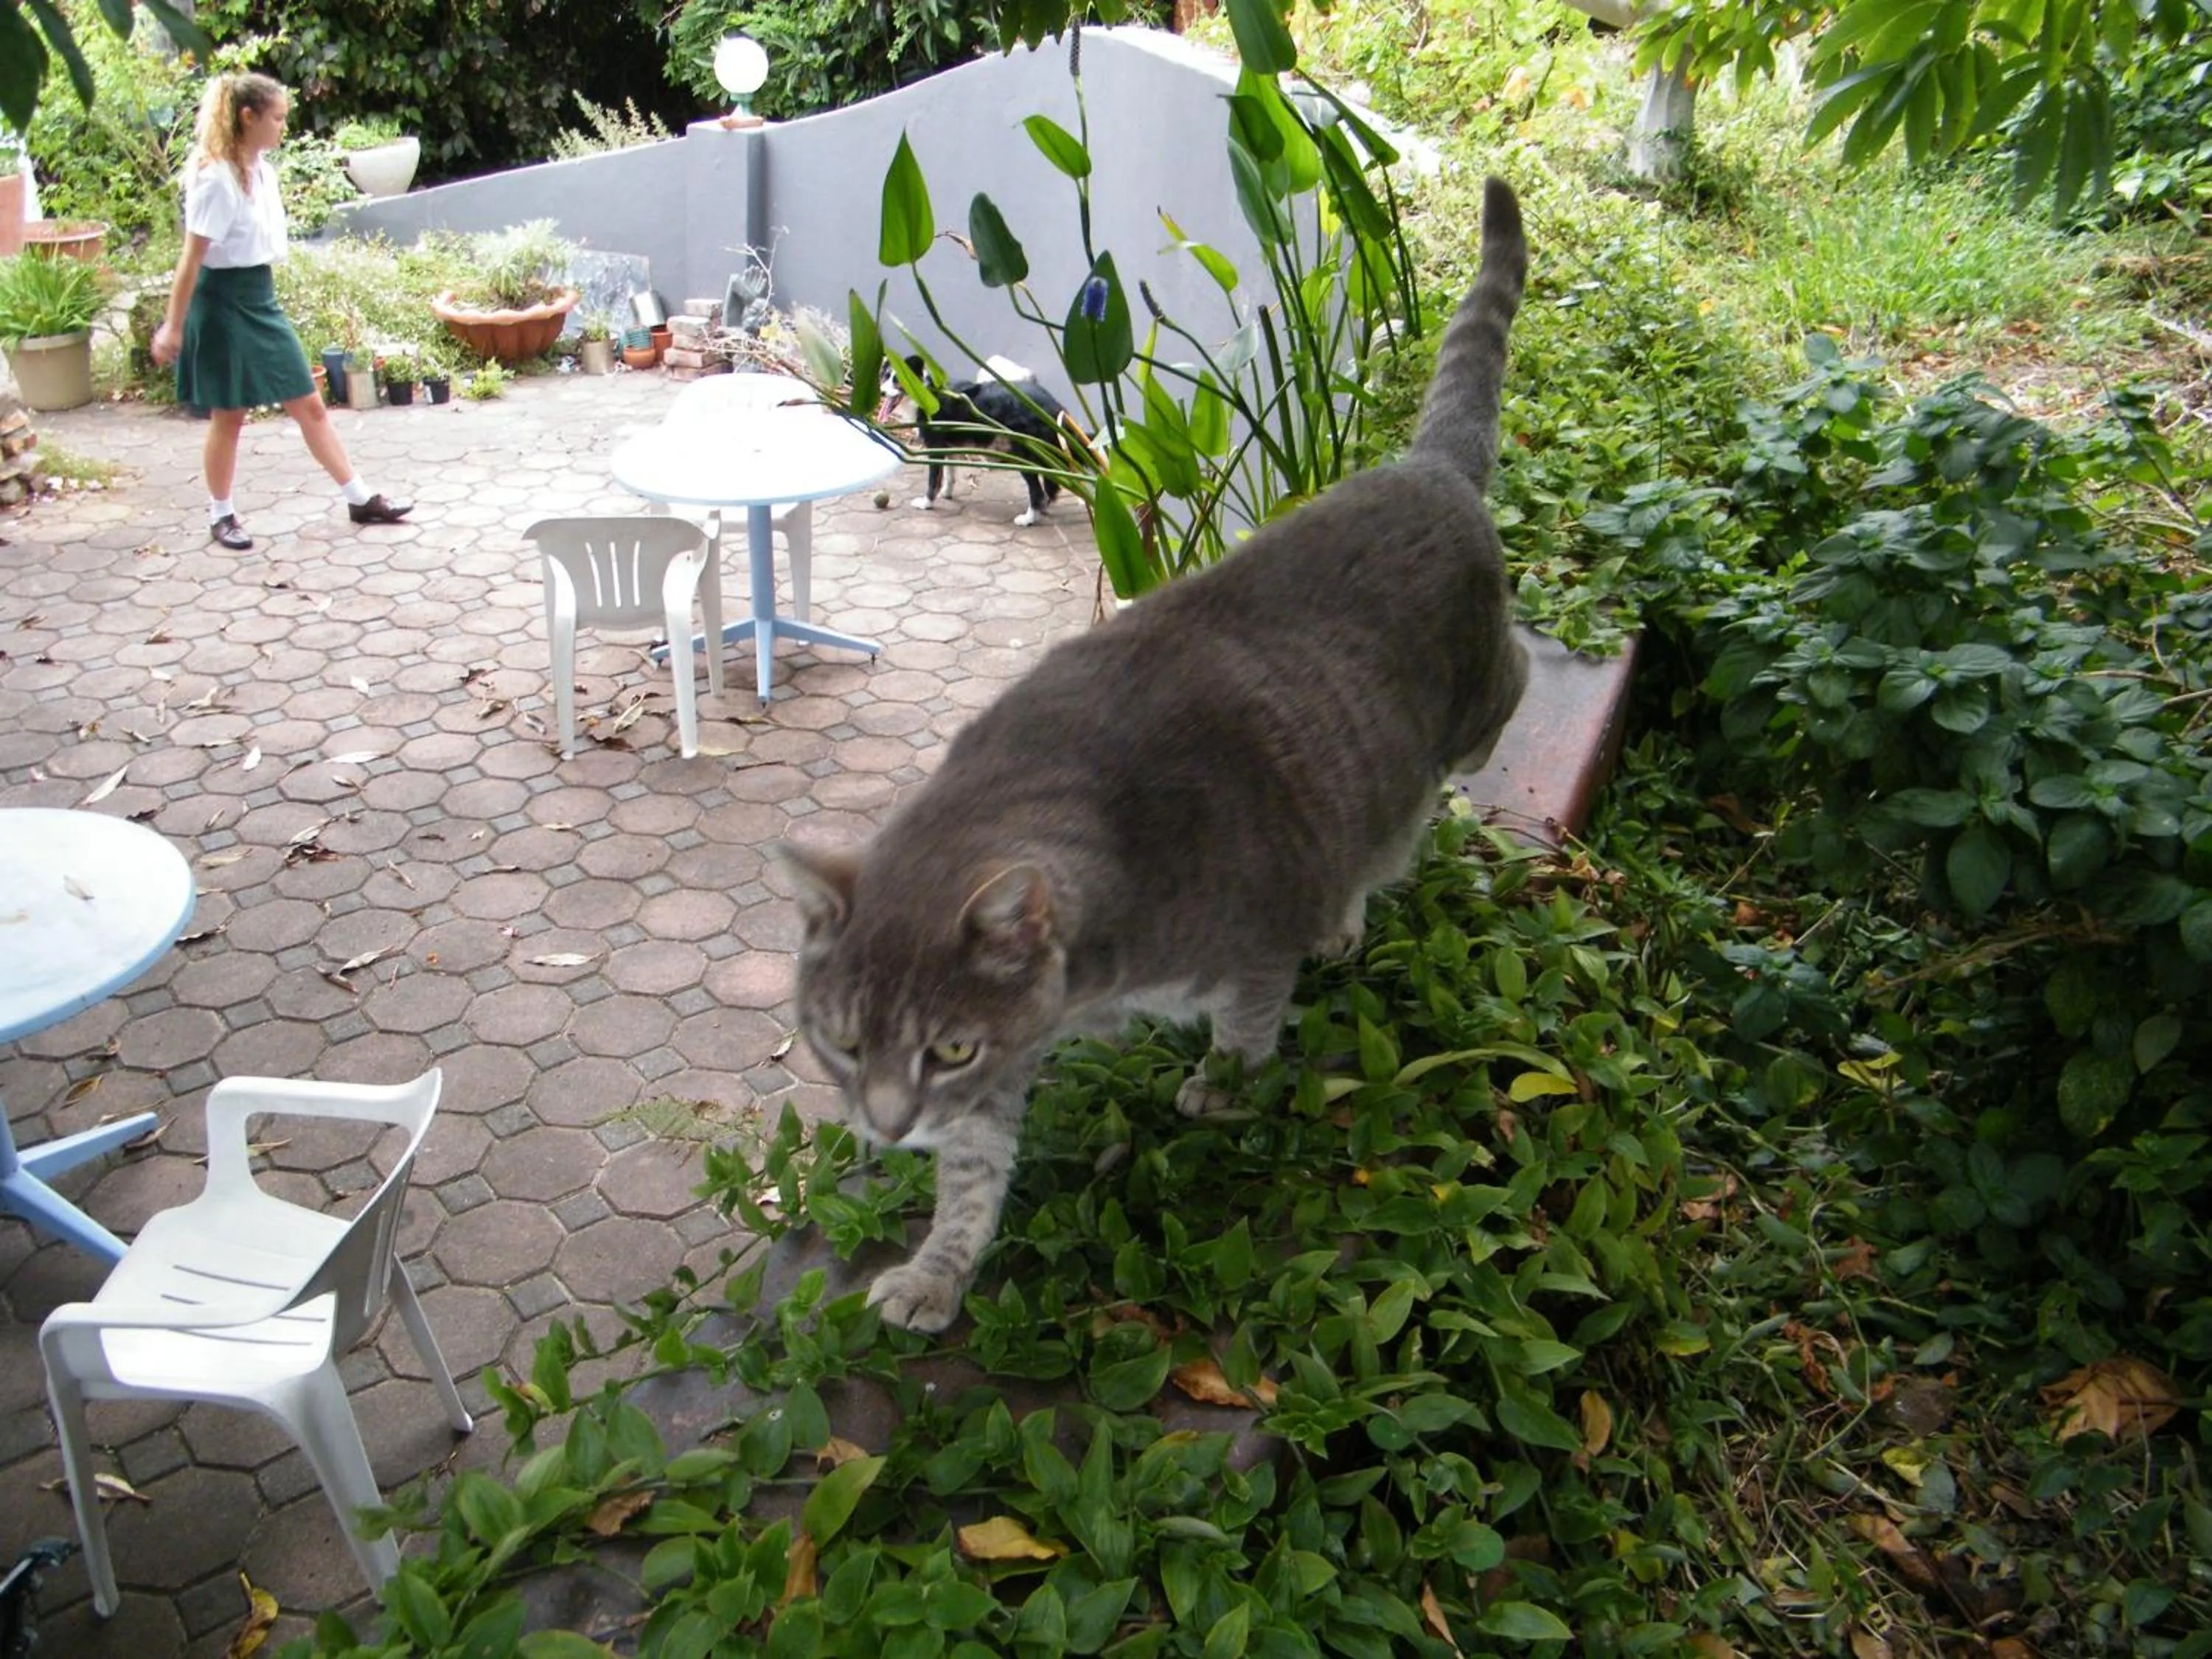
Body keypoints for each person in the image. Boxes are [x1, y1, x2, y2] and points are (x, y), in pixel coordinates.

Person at [150, 72, 411, 552]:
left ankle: (359, 498)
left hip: (259, 297)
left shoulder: (262, 169)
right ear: (248, 118)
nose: (283, 127)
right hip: (223, 300)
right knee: (229, 415)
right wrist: (173, 324)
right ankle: (221, 514)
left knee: (308, 400)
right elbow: (191, 258)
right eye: (277, 118)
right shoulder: (215, 177)